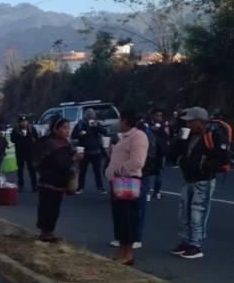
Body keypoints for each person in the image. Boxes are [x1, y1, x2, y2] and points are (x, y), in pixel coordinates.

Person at [170, 106, 230, 260]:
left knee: (198, 212)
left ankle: (196, 245)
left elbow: (222, 157)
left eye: (191, 121)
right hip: (188, 178)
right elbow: (174, 152)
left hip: (204, 180)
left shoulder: (213, 135)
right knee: (184, 213)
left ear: (199, 121)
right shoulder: (189, 136)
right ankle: (185, 241)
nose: (188, 124)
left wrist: (206, 166)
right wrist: (178, 142)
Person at [105, 110, 149, 265]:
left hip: (127, 180)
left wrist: (119, 171)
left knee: (129, 217)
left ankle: (128, 254)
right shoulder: (124, 137)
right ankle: (121, 251)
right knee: (120, 217)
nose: (118, 123)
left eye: (120, 120)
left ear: (125, 121)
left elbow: (137, 161)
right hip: (118, 182)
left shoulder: (138, 136)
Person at [34, 116, 82, 242]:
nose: (67, 131)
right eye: (64, 128)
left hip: (60, 181)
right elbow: (59, 163)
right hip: (48, 181)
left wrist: (76, 156)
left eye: (68, 128)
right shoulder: (50, 143)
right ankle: (45, 233)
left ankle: (50, 231)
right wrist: (73, 159)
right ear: (56, 130)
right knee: (47, 208)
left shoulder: (66, 143)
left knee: (55, 208)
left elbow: (69, 157)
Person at [71, 109, 107, 194]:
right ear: (85, 117)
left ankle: (100, 187)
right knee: (82, 171)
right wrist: (83, 132)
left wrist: (97, 126)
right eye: (89, 117)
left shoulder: (96, 124)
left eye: (93, 117)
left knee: (97, 171)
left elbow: (105, 132)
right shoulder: (80, 124)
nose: (91, 119)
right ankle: (80, 188)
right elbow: (73, 135)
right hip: (84, 152)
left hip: (96, 151)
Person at [11, 115, 39, 192]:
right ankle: (21, 185)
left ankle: (34, 185)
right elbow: (12, 139)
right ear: (19, 123)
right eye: (22, 121)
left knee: (32, 169)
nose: (24, 123)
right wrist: (19, 136)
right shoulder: (16, 129)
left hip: (30, 152)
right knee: (20, 169)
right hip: (20, 152)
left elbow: (37, 138)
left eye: (25, 121)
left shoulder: (31, 128)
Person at [147, 109, 170, 200]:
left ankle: (157, 192)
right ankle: (147, 192)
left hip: (160, 151)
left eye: (160, 116)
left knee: (159, 172)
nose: (159, 117)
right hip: (150, 152)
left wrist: (162, 130)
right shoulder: (147, 124)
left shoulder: (164, 125)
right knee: (147, 172)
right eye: (157, 115)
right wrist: (151, 130)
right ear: (152, 116)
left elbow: (167, 136)